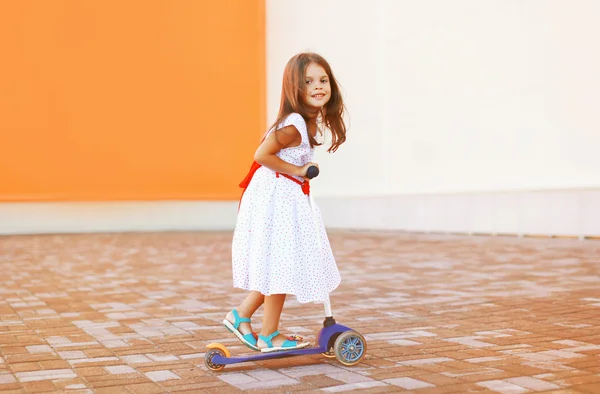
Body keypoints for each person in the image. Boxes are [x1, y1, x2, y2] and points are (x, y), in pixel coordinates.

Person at [223, 52, 347, 353]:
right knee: (282, 264)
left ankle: (241, 316)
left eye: (323, 80)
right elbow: (261, 155)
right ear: (295, 88)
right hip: (275, 197)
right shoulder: (293, 125)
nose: (318, 86)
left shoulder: (308, 123)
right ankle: (269, 335)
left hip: (285, 194)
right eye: (308, 82)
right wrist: (298, 171)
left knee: (278, 263)